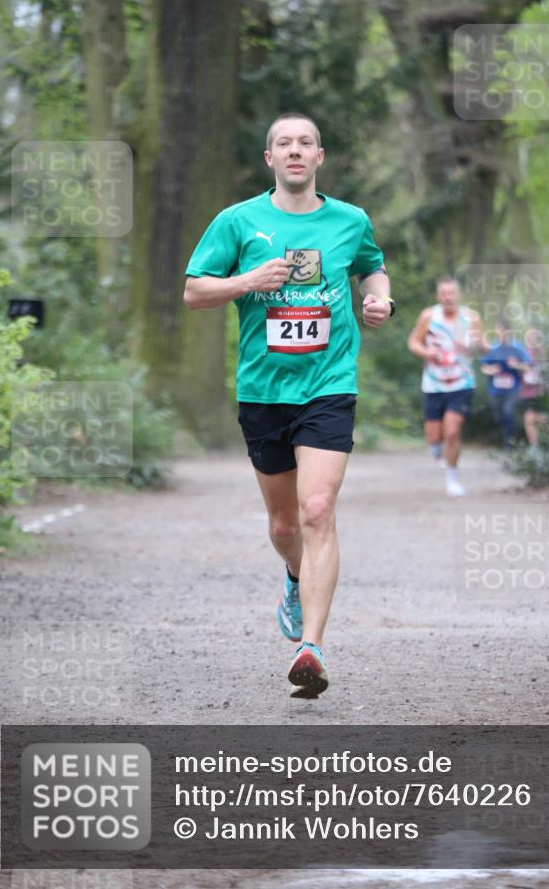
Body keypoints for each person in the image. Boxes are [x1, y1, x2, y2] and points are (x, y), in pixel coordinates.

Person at [183, 113, 394, 699]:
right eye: (284, 144)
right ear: (269, 158)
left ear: (320, 157)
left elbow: (372, 268)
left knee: (319, 507)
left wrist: (381, 302)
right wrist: (248, 281)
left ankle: (312, 647)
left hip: (329, 385)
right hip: (263, 391)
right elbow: (195, 290)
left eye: (305, 143)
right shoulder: (238, 221)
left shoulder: (350, 220)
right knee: (283, 525)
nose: (295, 152)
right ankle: (295, 579)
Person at [407, 277, 486, 497]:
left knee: (452, 431)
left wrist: (480, 344)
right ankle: (436, 448)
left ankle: (452, 477)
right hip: (433, 383)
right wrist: (426, 352)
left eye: (451, 293)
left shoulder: (471, 318)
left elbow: (485, 348)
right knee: (434, 437)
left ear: (458, 295)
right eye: (444, 293)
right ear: (438, 296)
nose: (448, 297)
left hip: (462, 382)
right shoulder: (429, 316)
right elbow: (413, 342)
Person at [480, 320, 531, 449]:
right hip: (496, 389)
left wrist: (516, 365)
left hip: (513, 388)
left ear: (509, 332)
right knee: (498, 416)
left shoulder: (517, 348)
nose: (502, 334)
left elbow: (528, 367)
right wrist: (491, 370)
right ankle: (504, 438)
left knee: (508, 412)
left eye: (504, 331)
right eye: (499, 331)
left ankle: (510, 442)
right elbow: (484, 367)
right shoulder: (492, 348)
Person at [518, 327, 548, 448]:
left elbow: (544, 370)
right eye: (530, 337)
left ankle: (544, 445)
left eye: (535, 336)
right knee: (529, 419)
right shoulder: (524, 353)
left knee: (542, 420)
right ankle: (535, 446)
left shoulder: (543, 353)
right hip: (528, 393)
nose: (533, 339)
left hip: (542, 392)